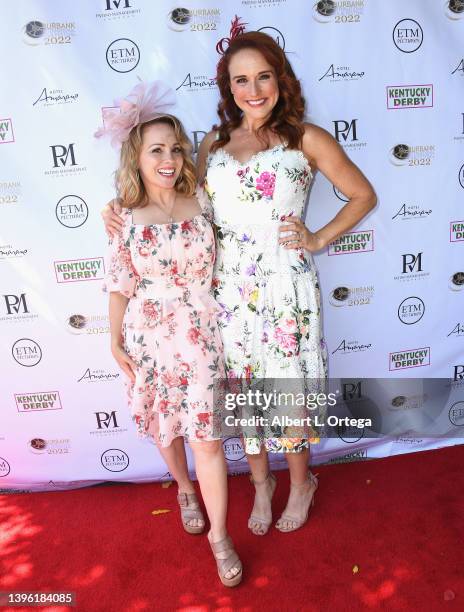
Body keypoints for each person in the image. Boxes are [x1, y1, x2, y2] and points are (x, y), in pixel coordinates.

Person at [103, 32, 376, 536]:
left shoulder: (307, 139)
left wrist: (317, 238)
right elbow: (177, 196)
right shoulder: (212, 143)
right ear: (227, 88)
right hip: (225, 291)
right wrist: (117, 207)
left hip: (284, 288)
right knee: (244, 391)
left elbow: (362, 195)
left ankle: (299, 482)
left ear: (280, 80)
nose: (253, 89)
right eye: (240, 79)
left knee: (287, 392)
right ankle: (261, 483)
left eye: (263, 76)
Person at [98, 81, 242, 587]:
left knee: (207, 437)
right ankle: (183, 487)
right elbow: (119, 285)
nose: (169, 159)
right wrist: (114, 341)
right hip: (148, 336)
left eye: (175, 149)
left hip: (202, 333)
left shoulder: (202, 197)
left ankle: (219, 537)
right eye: (156, 150)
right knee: (166, 426)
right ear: (135, 158)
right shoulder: (124, 217)